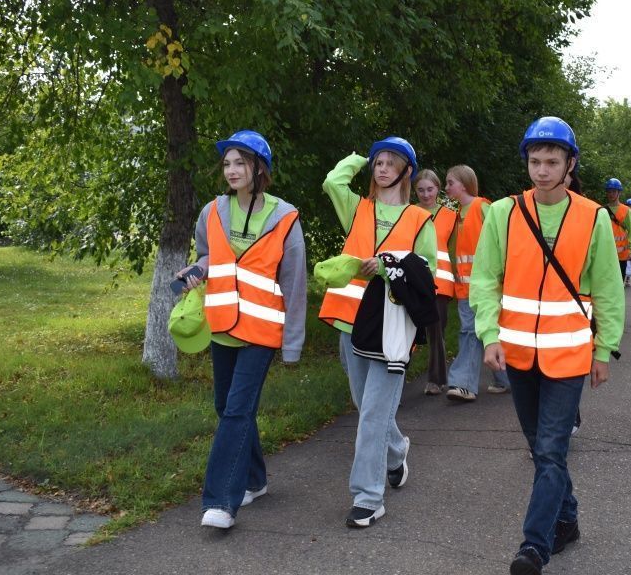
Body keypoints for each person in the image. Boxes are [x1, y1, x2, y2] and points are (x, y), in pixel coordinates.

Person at [471, 117, 624, 574]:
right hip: (516, 353)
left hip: (569, 355)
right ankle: (569, 518)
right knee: (542, 449)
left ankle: (533, 547)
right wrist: (489, 335)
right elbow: (484, 280)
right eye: (535, 161)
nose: (541, 170)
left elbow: (609, 290)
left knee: (552, 449)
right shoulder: (502, 213)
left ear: (569, 164)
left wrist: (604, 351)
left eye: (551, 161)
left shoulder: (593, 216)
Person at [176, 130, 307, 529]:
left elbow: (295, 282)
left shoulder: (285, 217)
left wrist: (292, 345)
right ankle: (254, 479)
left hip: (262, 331)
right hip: (221, 325)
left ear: (258, 168)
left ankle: (221, 502)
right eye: (227, 163)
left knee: (236, 412)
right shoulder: (212, 211)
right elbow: (209, 255)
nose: (232, 170)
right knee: (226, 408)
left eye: (241, 163)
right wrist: (195, 270)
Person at [318, 137, 436, 528]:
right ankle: (397, 451)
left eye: (391, 162)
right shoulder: (358, 208)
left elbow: (427, 274)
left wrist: (388, 267)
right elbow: (334, 182)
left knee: (371, 415)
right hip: (349, 321)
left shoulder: (420, 219)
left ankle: (368, 498)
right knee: (365, 406)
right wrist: (359, 156)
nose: (382, 168)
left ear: (407, 171)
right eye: (378, 162)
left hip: (390, 328)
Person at [445, 165, 511, 401]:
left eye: (450, 182)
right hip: (465, 289)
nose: (446, 188)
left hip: (487, 288)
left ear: (463, 183)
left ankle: (463, 383)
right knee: (477, 332)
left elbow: (503, 241)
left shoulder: (482, 207)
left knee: (471, 332)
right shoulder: (456, 215)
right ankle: (505, 379)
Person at [414, 169, 458, 395]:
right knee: (405, 332)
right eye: (420, 190)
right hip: (411, 281)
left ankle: (437, 379)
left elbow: (454, 251)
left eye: (430, 189)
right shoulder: (408, 213)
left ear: (437, 189)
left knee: (436, 331)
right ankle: (393, 383)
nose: (426, 194)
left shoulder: (451, 216)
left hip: (440, 282)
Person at [603, 178, 631, 282]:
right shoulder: (602, 210)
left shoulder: (626, 210)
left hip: (622, 256)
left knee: (619, 285)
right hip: (605, 255)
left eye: (614, 191)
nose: (611, 194)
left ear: (619, 193)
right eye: (609, 191)